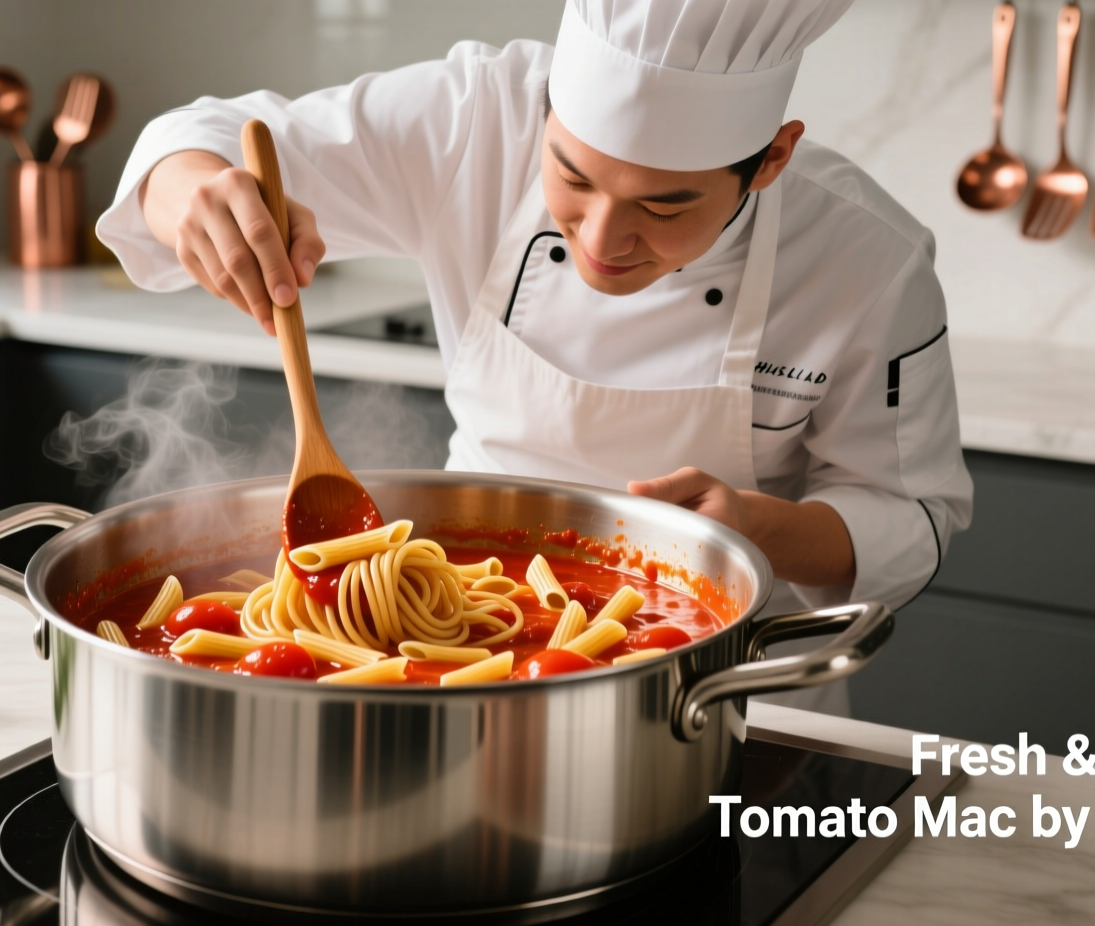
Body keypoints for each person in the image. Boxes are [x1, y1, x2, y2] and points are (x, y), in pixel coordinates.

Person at [98, 0, 972, 714]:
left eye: (665, 209)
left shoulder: (868, 257)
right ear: (545, 110)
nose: (601, 239)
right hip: (430, 653)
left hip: (720, 691)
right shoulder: (478, 117)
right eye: (572, 177)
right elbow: (202, 134)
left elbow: (913, 514)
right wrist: (194, 196)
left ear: (772, 158)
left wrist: (751, 528)